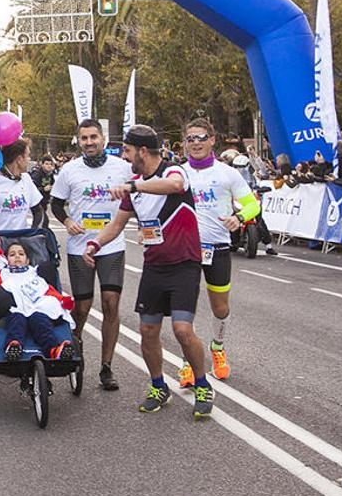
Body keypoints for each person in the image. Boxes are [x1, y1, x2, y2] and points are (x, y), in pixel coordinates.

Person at [83, 125, 214, 419]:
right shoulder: (134, 186)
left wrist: (135, 187)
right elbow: (117, 224)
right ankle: (158, 386)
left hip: (184, 264)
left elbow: (175, 186)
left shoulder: (173, 171)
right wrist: (95, 244)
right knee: (147, 330)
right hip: (155, 266)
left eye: (128, 151)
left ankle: (202, 385)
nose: (125, 157)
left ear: (142, 151)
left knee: (182, 330)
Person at [50, 119, 132, 391]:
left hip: (111, 245)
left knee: (111, 303)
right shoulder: (69, 170)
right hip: (79, 246)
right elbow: (56, 204)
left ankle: (106, 367)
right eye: (84, 138)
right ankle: (76, 347)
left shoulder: (122, 167)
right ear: (79, 141)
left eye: (93, 137)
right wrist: (67, 221)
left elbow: (139, 194)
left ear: (103, 138)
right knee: (82, 307)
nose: (89, 142)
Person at [178, 118, 260, 385]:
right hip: (186, 249)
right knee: (184, 309)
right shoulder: (177, 173)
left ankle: (218, 347)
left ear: (212, 140)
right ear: (185, 143)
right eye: (190, 139)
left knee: (220, 306)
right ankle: (188, 361)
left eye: (201, 138)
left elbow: (253, 205)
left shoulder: (228, 173)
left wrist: (239, 217)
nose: (196, 143)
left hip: (218, 248)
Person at [0, 240, 76, 362]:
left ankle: (53, 349)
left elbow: (47, 290)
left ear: (27, 260)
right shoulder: (3, 274)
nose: (17, 256)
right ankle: (13, 347)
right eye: (12, 254)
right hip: (13, 311)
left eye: (21, 254)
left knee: (40, 320)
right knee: (17, 319)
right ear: (6, 260)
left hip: (37, 309)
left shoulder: (34, 274)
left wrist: (63, 300)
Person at [0, 139, 45, 233]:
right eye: (28, 156)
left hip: (21, 240)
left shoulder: (26, 179)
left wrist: (33, 232)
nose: (29, 159)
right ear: (19, 159)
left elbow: (38, 211)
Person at [29, 155, 56, 229]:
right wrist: (43, 189)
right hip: (37, 203)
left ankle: (36, 233)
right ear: (42, 164)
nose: (49, 166)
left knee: (40, 222)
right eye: (46, 164)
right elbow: (31, 189)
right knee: (43, 220)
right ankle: (36, 234)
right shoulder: (37, 174)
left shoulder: (50, 175)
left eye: (50, 164)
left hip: (45, 201)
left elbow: (53, 185)